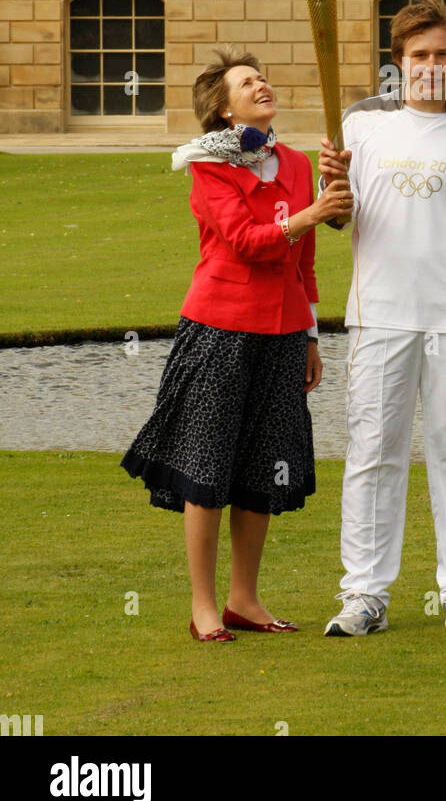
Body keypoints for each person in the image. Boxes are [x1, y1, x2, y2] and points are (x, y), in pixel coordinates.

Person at [121, 49, 352, 642]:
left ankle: (243, 600)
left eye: (263, 77)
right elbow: (247, 242)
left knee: (260, 469)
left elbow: (304, 264)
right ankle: (203, 606)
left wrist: (309, 334)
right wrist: (310, 215)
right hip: (219, 328)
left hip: (281, 336)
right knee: (207, 466)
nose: (262, 84)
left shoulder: (298, 165)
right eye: (247, 83)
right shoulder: (207, 165)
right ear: (224, 110)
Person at [317, 0, 446, 636]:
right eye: (419, 55)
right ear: (398, 61)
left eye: (442, 55)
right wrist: (329, 190)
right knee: (373, 453)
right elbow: (340, 217)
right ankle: (365, 597)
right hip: (378, 317)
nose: (431, 66)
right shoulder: (359, 125)